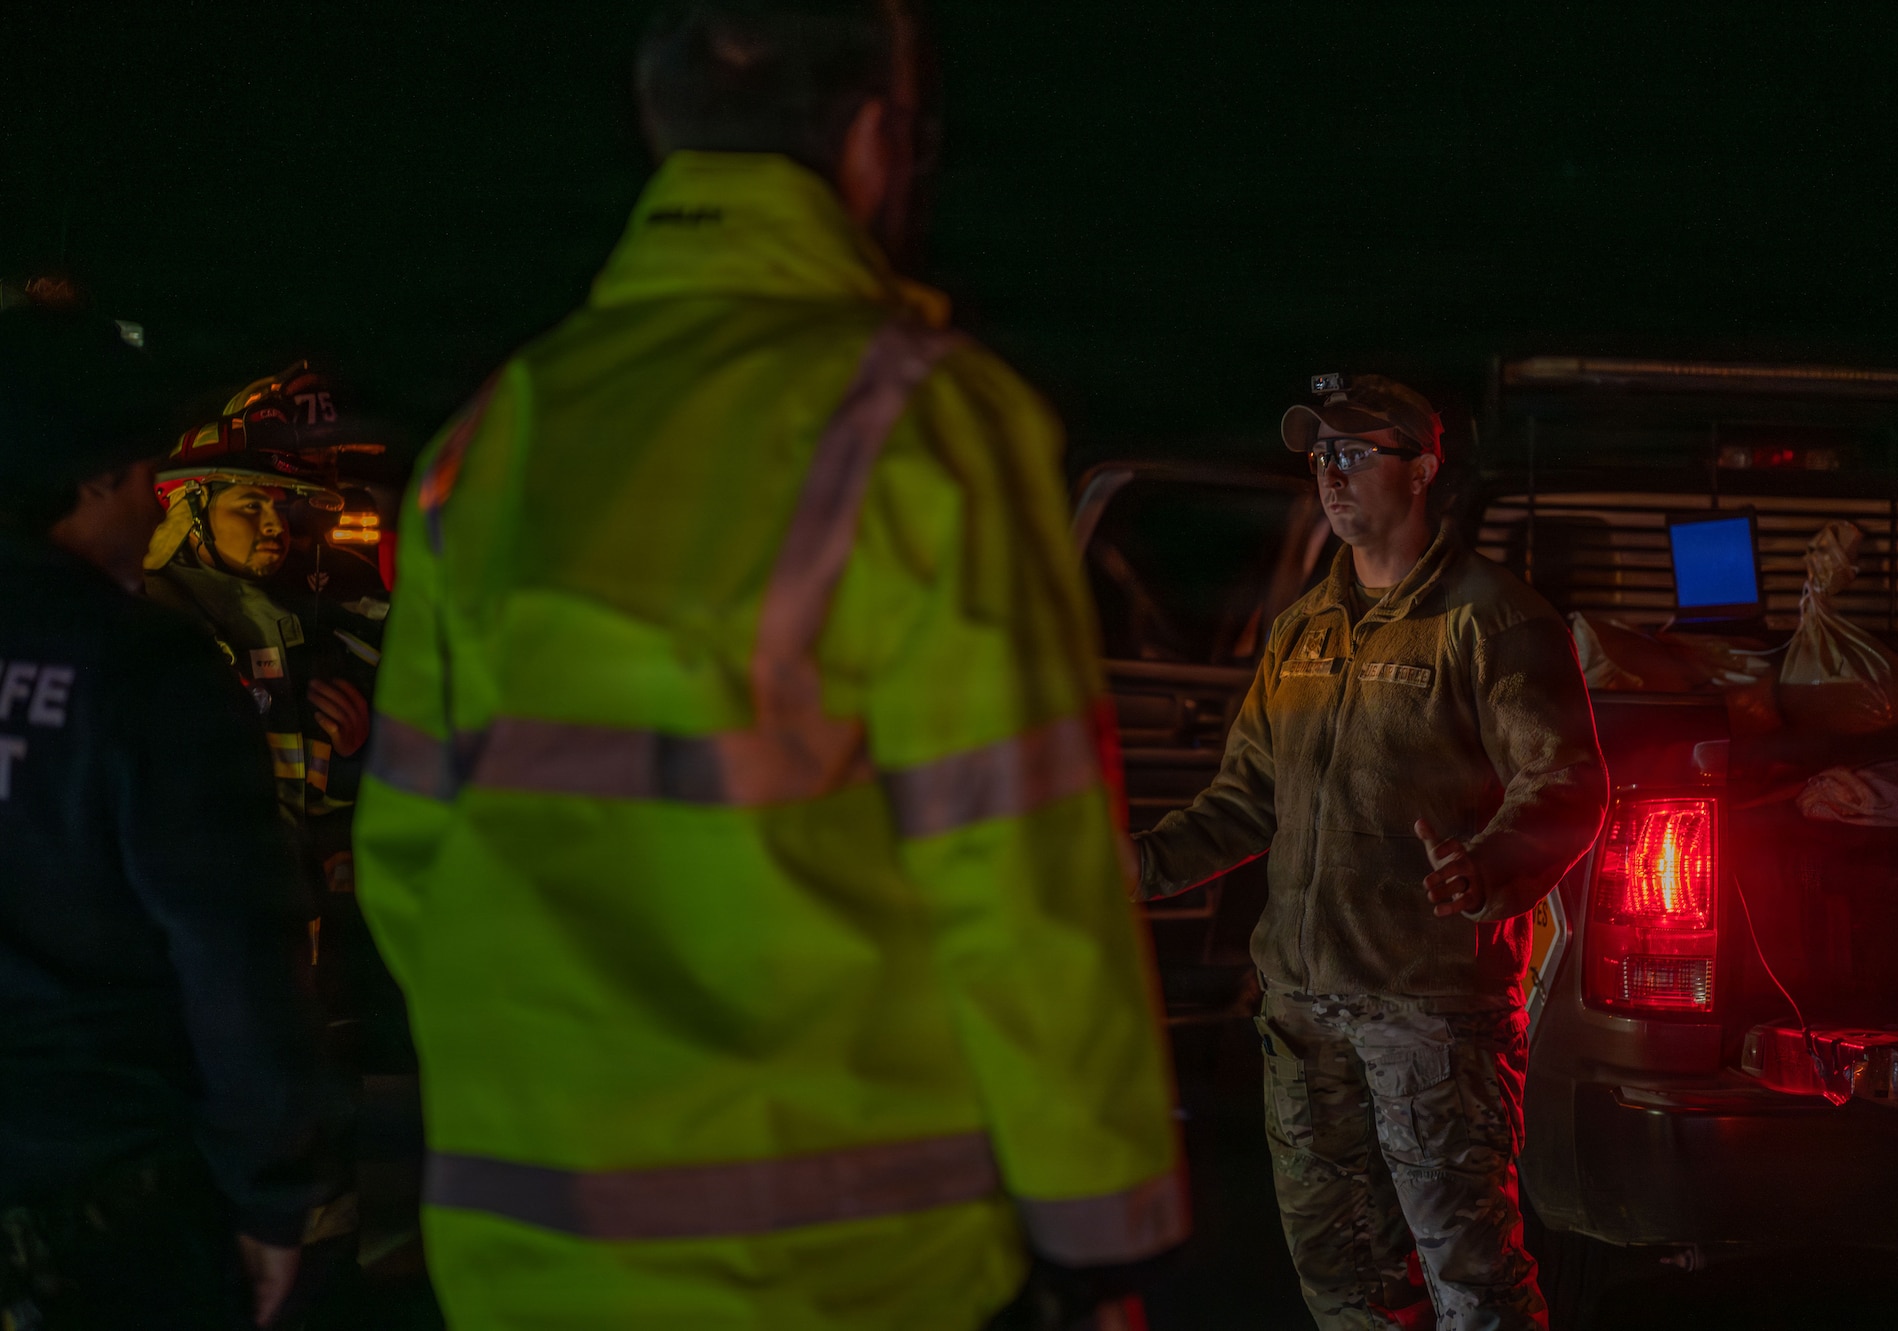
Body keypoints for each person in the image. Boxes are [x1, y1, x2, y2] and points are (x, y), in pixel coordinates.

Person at [353, 3, 1188, 1328]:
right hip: (855, 1266)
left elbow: (406, 855)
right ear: (870, 145)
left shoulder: (501, 429)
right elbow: (1021, 875)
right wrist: (1103, 1230)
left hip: (532, 1252)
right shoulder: (921, 418)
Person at [1134, 375, 1607, 1330]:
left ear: (1424, 468)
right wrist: (1134, 869)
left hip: (1427, 1015)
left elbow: (1565, 784)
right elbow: (1244, 799)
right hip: (1304, 1016)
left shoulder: (1493, 620)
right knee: (1342, 1280)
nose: (1331, 476)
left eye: (1356, 453)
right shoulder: (1303, 630)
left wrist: (1487, 865)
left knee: (1471, 1283)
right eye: (1320, 457)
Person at [0, 294, 336, 1329]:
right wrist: (272, 1195)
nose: (157, 506)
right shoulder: (145, 675)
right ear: (90, 479)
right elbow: (233, 949)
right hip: (104, 1201)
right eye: (143, 476)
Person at [142, 377, 397, 1060]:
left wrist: (355, 747)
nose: (274, 526)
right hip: (187, 934)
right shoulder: (154, 624)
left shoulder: (312, 622)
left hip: (285, 927)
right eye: (249, 505)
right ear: (188, 508)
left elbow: (332, 794)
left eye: (282, 508)